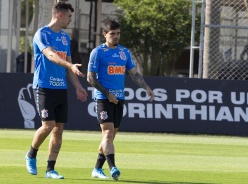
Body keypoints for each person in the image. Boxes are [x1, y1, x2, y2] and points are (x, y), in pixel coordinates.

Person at [25, 2, 88, 179]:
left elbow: (69, 67)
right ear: (60, 15)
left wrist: (78, 87)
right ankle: (31, 154)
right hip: (44, 86)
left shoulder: (65, 38)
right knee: (48, 126)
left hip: (61, 88)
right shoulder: (42, 34)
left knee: (58, 130)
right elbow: (51, 55)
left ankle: (50, 169)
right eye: (69, 16)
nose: (71, 20)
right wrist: (70, 64)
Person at [87, 19, 154, 180]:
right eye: (112, 34)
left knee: (109, 137)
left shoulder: (124, 52)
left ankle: (97, 168)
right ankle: (113, 168)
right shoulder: (98, 52)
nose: (116, 36)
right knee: (108, 133)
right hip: (103, 98)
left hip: (119, 99)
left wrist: (146, 87)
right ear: (105, 34)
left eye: (118, 33)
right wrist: (107, 93)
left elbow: (134, 73)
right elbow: (90, 78)